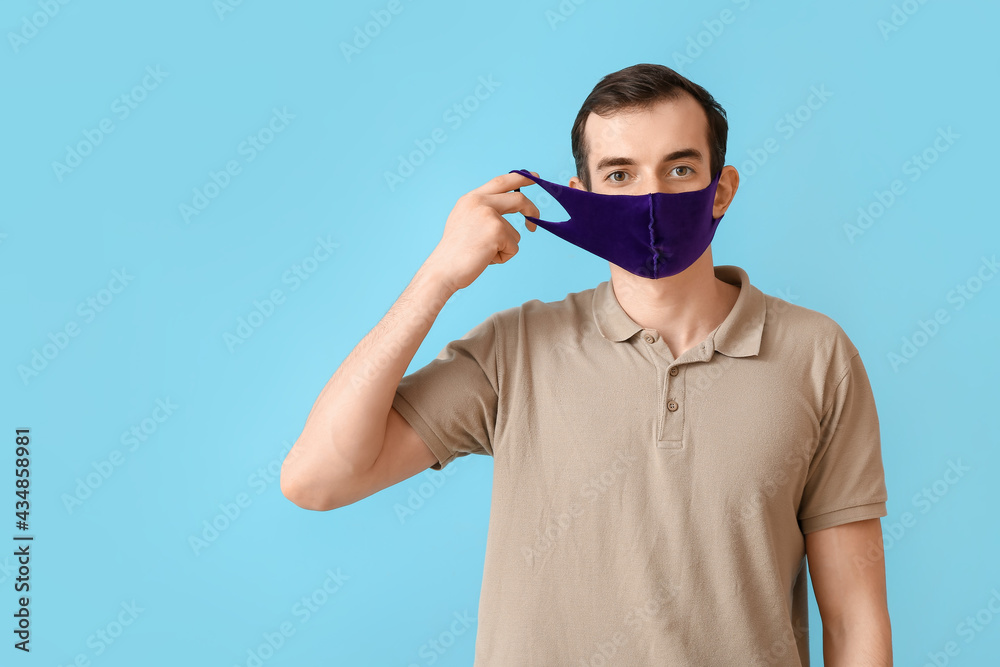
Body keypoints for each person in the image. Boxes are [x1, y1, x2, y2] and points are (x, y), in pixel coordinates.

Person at [280, 63, 892, 666]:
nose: (651, 197)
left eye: (679, 169)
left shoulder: (816, 354)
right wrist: (437, 278)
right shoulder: (514, 350)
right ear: (584, 200)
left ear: (721, 190)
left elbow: (854, 619)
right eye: (620, 175)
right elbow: (317, 478)